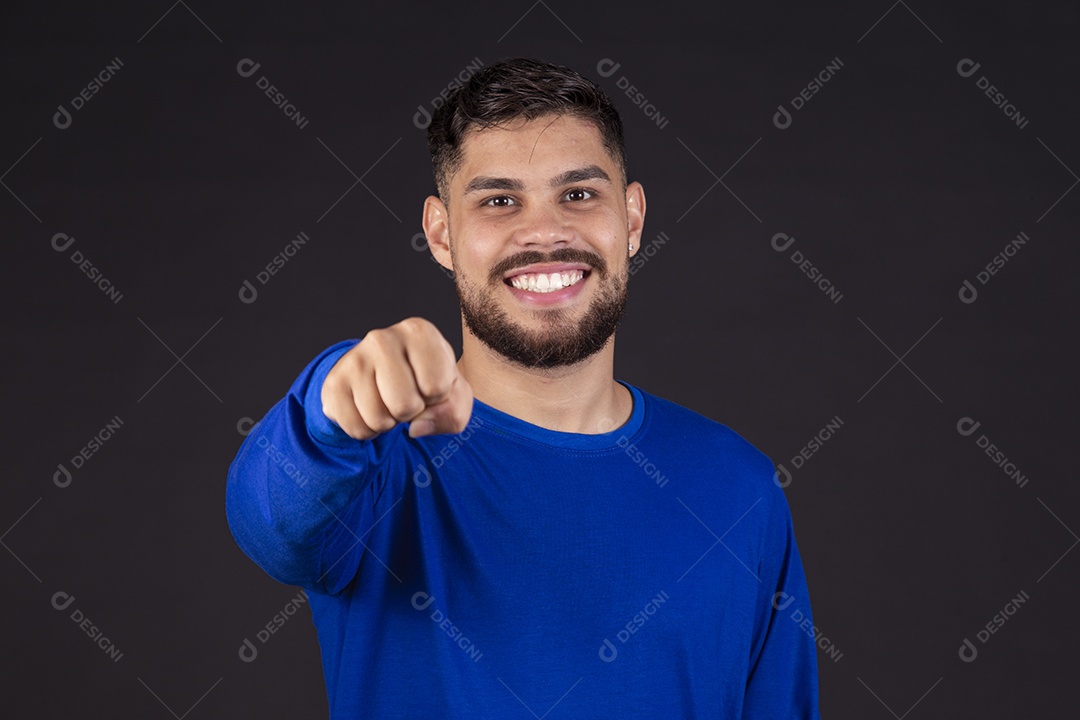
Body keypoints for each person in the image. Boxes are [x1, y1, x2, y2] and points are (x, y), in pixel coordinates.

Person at [226, 57, 821, 719]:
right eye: (499, 201)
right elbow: (269, 519)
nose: (544, 232)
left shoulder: (739, 488)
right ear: (441, 233)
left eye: (578, 194)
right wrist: (335, 405)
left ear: (631, 220)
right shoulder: (376, 467)